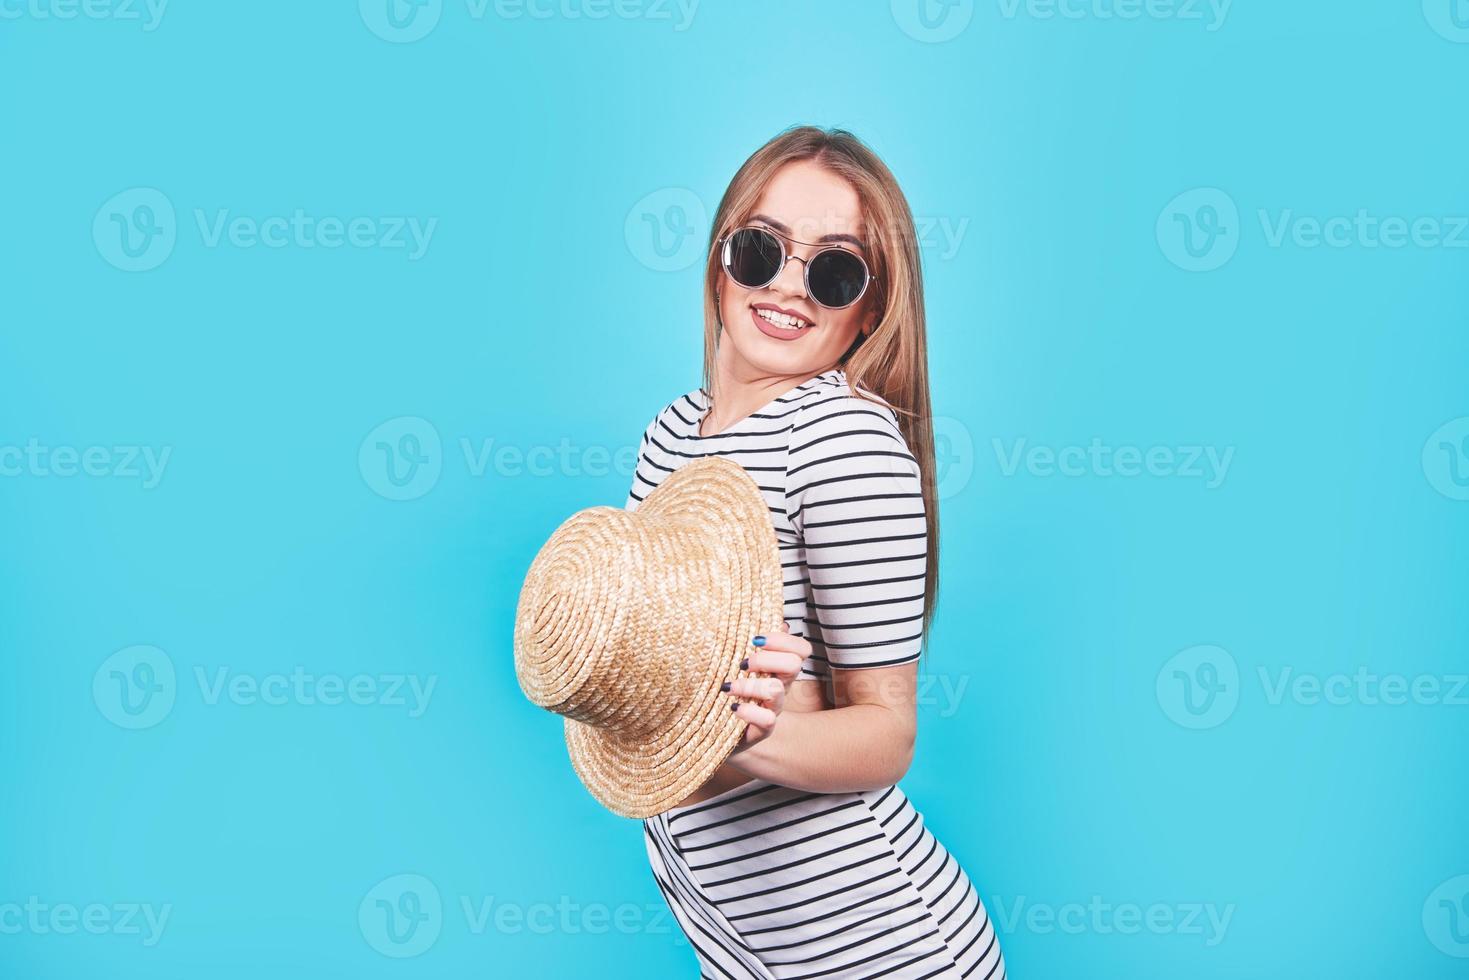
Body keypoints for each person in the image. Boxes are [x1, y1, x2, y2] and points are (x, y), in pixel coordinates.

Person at [624, 126, 1006, 980]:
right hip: (738, 942)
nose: (788, 287)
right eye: (762, 250)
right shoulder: (670, 435)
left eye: (833, 268)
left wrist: (725, 738)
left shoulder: (837, 437)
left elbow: (885, 733)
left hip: (879, 951)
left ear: (867, 307)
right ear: (721, 257)